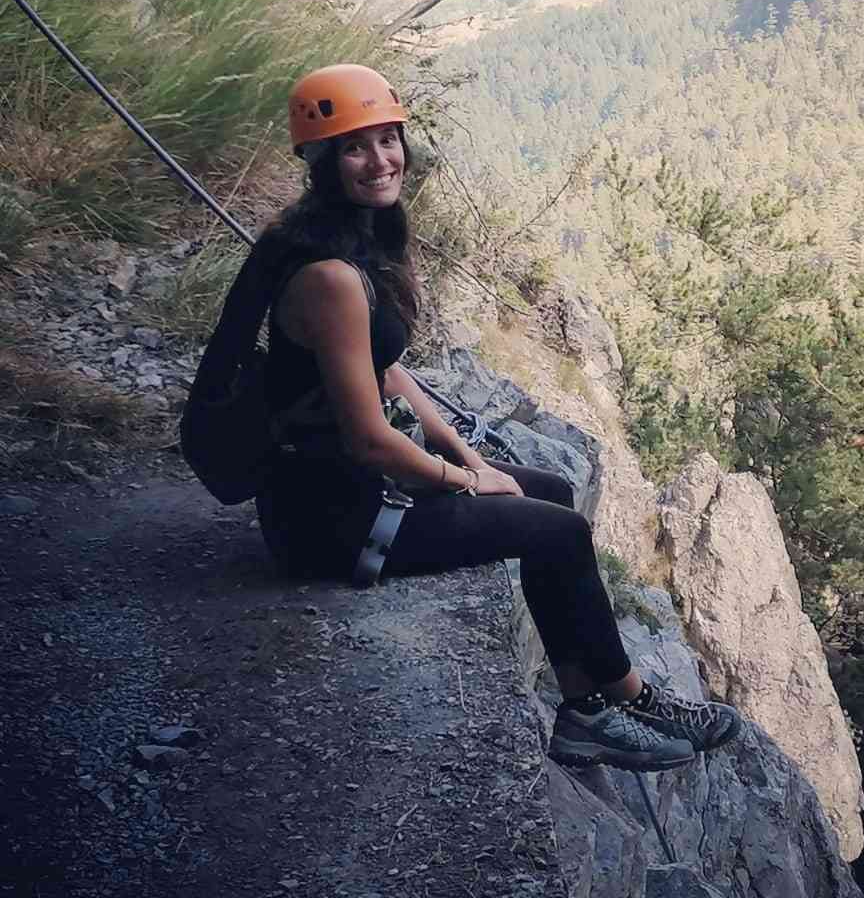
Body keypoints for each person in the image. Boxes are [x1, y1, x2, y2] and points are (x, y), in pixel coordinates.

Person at [253, 63, 742, 773]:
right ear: (322, 161)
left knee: (552, 491)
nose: (380, 159)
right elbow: (368, 437)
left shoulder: (348, 242)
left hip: (350, 485)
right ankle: (626, 697)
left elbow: (384, 370)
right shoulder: (329, 276)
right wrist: (462, 480)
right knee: (559, 531)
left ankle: (586, 703)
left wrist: (466, 453)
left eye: (388, 139)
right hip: (331, 520)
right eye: (355, 147)